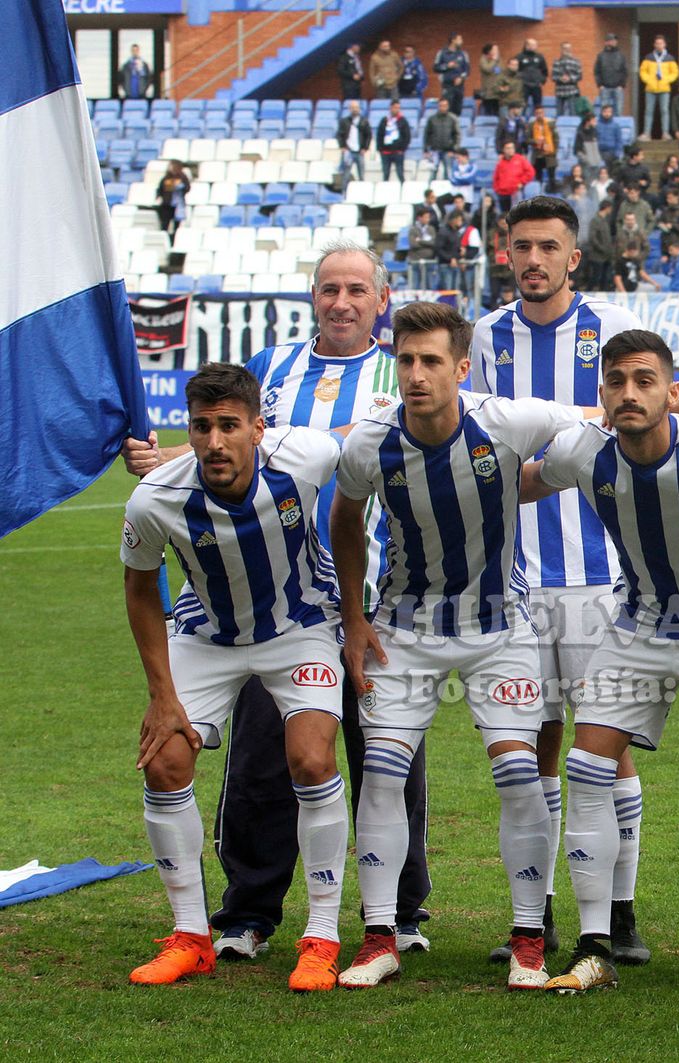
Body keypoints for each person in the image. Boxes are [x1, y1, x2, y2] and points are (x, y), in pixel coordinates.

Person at [120, 245, 434, 972]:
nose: (342, 301)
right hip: (251, 600)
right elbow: (223, 427)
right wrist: (171, 456)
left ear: (380, 299)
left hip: (374, 599)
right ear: (313, 297)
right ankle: (245, 914)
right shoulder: (274, 366)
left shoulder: (405, 369)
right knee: (263, 763)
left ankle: (396, 915)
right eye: (329, 289)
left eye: (356, 289)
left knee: (387, 759)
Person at [330, 302, 599, 992]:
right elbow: (345, 518)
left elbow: (594, 423)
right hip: (404, 630)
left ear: (461, 368)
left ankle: (529, 940)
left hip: (498, 629)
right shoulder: (370, 442)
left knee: (518, 774)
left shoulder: (506, 421)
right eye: (406, 361)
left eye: (431, 361)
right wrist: (354, 617)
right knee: (382, 774)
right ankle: (380, 937)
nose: (416, 375)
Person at [519, 329, 679, 998]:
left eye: (644, 380)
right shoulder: (582, 450)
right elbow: (522, 484)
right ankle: (595, 945)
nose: (628, 393)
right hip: (638, 625)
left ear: (672, 392)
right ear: (601, 392)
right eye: (616, 382)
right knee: (586, 766)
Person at [121, 363, 350, 992]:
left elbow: (354, 439)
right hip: (207, 635)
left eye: (229, 426)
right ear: (189, 431)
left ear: (258, 428)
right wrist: (161, 696)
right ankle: (190, 936)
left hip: (299, 626)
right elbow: (139, 590)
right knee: (164, 761)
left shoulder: (302, 457)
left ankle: (322, 937)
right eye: (202, 427)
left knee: (310, 759)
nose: (215, 441)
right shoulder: (155, 499)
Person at [470, 197, 656, 960]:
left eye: (549, 246)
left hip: (599, 576)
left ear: (573, 257)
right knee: (536, 747)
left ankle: (621, 910)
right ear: (506, 253)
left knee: (607, 747)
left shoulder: (612, 327)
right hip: (517, 582)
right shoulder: (485, 337)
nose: (535, 259)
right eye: (523, 246)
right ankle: (538, 911)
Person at [640, 36, 678, 141]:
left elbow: (675, 72)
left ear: (664, 45)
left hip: (664, 88)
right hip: (650, 88)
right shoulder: (648, 57)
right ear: (654, 45)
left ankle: (665, 133)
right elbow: (643, 71)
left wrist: (666, 79)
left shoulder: (670, 58)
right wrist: (648, 80)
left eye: (661, 43)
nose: (659, 45)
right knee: (648, 111)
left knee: (664, 111)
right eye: (657, 43)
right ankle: (647, 133)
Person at [421, 97, 460, 180]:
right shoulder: (432, 119)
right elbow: (426, 135)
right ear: (438, 106)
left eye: (445, 106)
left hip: (448, 151)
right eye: (441, 106)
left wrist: (454, 150)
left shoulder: (452, 119)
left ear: (448, 106)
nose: (443, 108)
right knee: (433, 173)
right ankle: (431, 188)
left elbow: (457, 135)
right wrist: (426, 150)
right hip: (435, 150)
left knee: (448, 173)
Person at [584, 198, 619, 290]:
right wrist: (602, 248)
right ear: (607, 208)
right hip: (597, 256)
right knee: (595, 277)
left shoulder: (605, 220)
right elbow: (593, 238)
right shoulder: (595, 220)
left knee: (605, 278)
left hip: (606, 256)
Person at [493, 141, 536, 213]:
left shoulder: (520, 159)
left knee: (516, 214)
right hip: (502, 193)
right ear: (503, 150)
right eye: (508, 148)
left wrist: (522, 182)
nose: (510, 150)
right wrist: (497, 189)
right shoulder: (500, 162)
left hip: (515, 191)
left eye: (512, 148)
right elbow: (496, 177)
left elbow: (531, 172)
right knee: (504, 215)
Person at [155, 160, 190, 243]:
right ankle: (163, 241)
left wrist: (180, 186)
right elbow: (160, 189)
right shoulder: (166, 177)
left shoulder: (183, 177)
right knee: (164, 225)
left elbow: (187, 188)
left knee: (176, 227)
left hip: (178, 206)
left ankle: (173, 242)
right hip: (166, 205)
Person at [336, 100, 371, 184]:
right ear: (350, 109)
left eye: (356, 107)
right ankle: (344, 190)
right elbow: (339, 135)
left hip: (360, 152)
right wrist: (342, 146)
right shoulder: (344, 121)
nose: (355, 109)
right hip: (348, 151)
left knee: (361, 175)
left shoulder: (364, 121)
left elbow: (368, 135)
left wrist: (365, 148)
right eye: (353, 107)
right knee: (346, 174)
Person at [375, 100, 411, 183]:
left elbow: (407, 136)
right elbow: (379, 135)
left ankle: (403, 188)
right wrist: (380, 149)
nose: (397, 110)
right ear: (391, 108)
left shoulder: (403, 121)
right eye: (395, 107)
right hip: (385, 152)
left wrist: (402, 149)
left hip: (398, 152)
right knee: (386, 174)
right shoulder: (384, 120)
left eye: (398, 108)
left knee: (400, 173)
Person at [593, 34, 628, 116]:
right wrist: (600, 85)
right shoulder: (601, 56)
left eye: (614, 41)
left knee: (619, 111)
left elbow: (625, 71)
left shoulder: (621, 55)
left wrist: (622, 85)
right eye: (611, 40)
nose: (613, 42)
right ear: (606, 42)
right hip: (605, 88)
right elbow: (597, 71)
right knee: (605, 112)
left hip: (618, 88)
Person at [435, 33, 470, 115]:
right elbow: (435, 68)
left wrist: (461, 78)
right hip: (447, 86)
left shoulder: (463, 54)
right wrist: (447, 66)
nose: (462, 41)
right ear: (453, 40)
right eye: (460, 39)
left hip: (459, 87)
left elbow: (467, 70)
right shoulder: (442, 53)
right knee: (446, 110)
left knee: (457, 110)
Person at [516, 38, 550, 113]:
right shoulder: (519, 57)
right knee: (522, 105)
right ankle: (521, 119)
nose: (535, 46)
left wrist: (542, 81)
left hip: (536, 85)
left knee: (538, 106)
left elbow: (544, 71)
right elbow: (515, 71)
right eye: (533, 45)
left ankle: (537, 120)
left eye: (535, 45)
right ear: (527, 45)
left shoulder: (539, 57)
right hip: (524, 86)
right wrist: (519, 82)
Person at [407, 209, 439, 289]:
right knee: (415, 285)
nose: (428, 219)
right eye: (426, 217)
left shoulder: (431, 229)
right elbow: (413, 244)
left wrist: (420, 241)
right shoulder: (413, 230)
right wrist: (427, 243)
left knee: (430, 285)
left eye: (428, 217)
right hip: (416, 260)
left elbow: (433, 243)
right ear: (419, 218)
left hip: (429, 260)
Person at [529, 105, 559, 185]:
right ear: (535, 114)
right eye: (537, 113)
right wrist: (535, 141)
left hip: (550, 154)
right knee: (538, 179)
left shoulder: (551, 124)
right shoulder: (531, 125)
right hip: (537, 154)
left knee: (552, 179)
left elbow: (556, 139)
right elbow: (527, 139)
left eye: (541, 113)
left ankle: (552, 190)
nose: (539, 115)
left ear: (544, 113)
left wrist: (554, 151)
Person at [551, 42, 583, 118]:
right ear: (561, 49)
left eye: (569, 48)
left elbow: (580, 76)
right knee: (559, 114)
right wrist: (560, 78)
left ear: (571, 49)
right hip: (559, 91)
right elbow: (553, 76)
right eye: (565, 48)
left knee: (573, 113)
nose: (567, 50)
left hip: (572, 91)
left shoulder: (576, 61)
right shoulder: (556, 62)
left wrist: (570, 78)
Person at [479, 43, 505, 118]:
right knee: (489, 114)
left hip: (498, 91)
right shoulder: (483, 59)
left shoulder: (499, 60)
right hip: (488, 91)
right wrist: (494, 60)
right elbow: (487, 69)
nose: (497, 51)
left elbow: (501, 71)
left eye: (497, 49)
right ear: (489, 51)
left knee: (497, 113)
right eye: (495, 49)